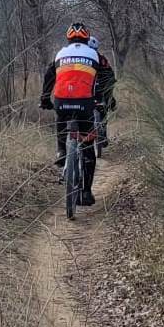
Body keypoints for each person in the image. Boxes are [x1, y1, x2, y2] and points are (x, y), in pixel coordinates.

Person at [39, 22, 112, 205]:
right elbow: (108, 78)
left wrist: (45, 99)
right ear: (87, 39)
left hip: (62, 102)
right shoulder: (95, 55)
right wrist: (105, 99)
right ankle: (86, 193)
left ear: (68, 39)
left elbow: (49, 76)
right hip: (85, 104)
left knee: (61, 117)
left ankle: (61, 151)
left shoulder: (60, 54)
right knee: (87, 147)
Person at [87, 36, 117, 150]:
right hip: (99, 89)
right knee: (105, 105)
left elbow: (109, 75)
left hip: (91, 89)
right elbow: (110, 74)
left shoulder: (82, 58)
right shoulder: (101, 58)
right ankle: (103, 136)